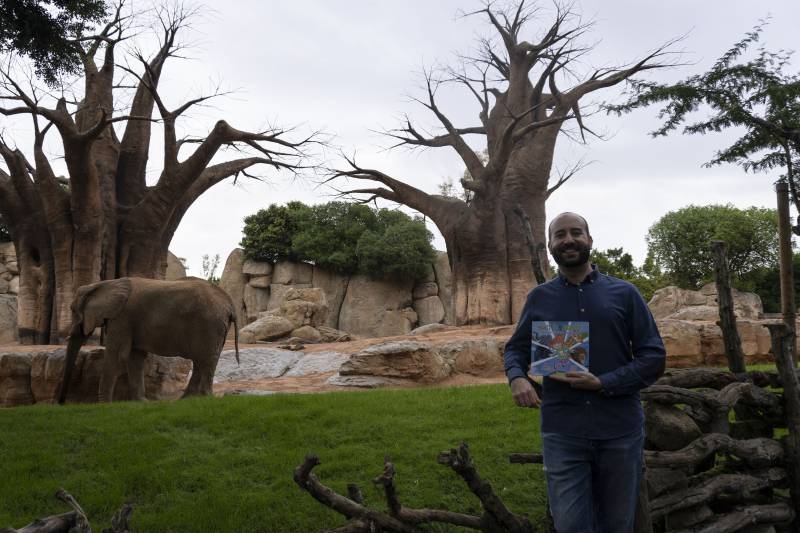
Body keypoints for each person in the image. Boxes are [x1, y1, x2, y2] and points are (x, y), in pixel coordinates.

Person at [503, 212, 666, 533]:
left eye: (575, 232)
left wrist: (603, 383)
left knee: (617, 525)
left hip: (619, 429)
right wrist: (517, 377)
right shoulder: (539, 298)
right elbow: (515, 348)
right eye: (559, 234)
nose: (568, 240)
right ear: (550, 245)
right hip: (563, 430)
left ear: (589, 240)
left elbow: (654, 356)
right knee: (571, 525)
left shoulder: (625, 293)